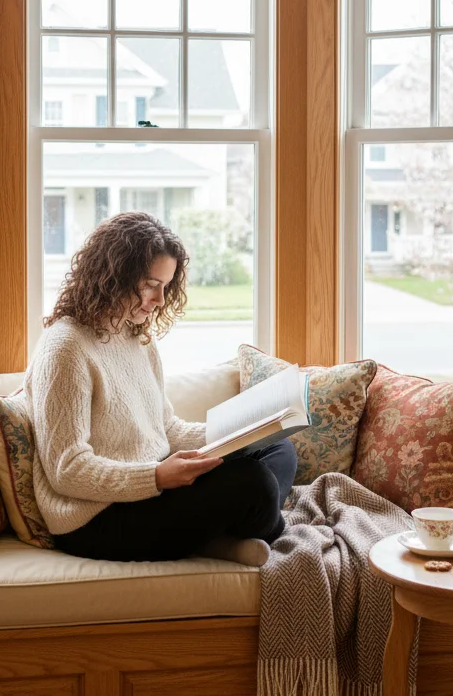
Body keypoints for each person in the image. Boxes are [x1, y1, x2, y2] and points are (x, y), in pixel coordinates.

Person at [26, 211, 296, 562]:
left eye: (166, 286)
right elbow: (67, 470)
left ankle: (226, 533)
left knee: (277, 447)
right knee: (254, 483)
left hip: (150, 493)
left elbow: (166, 429)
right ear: (113, 276)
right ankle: (246, 530)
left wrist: (235, 433)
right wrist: (155, 476)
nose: (161, 300)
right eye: (151, 284)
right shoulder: (65, 347)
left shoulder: (135, 337)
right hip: (95, 519)